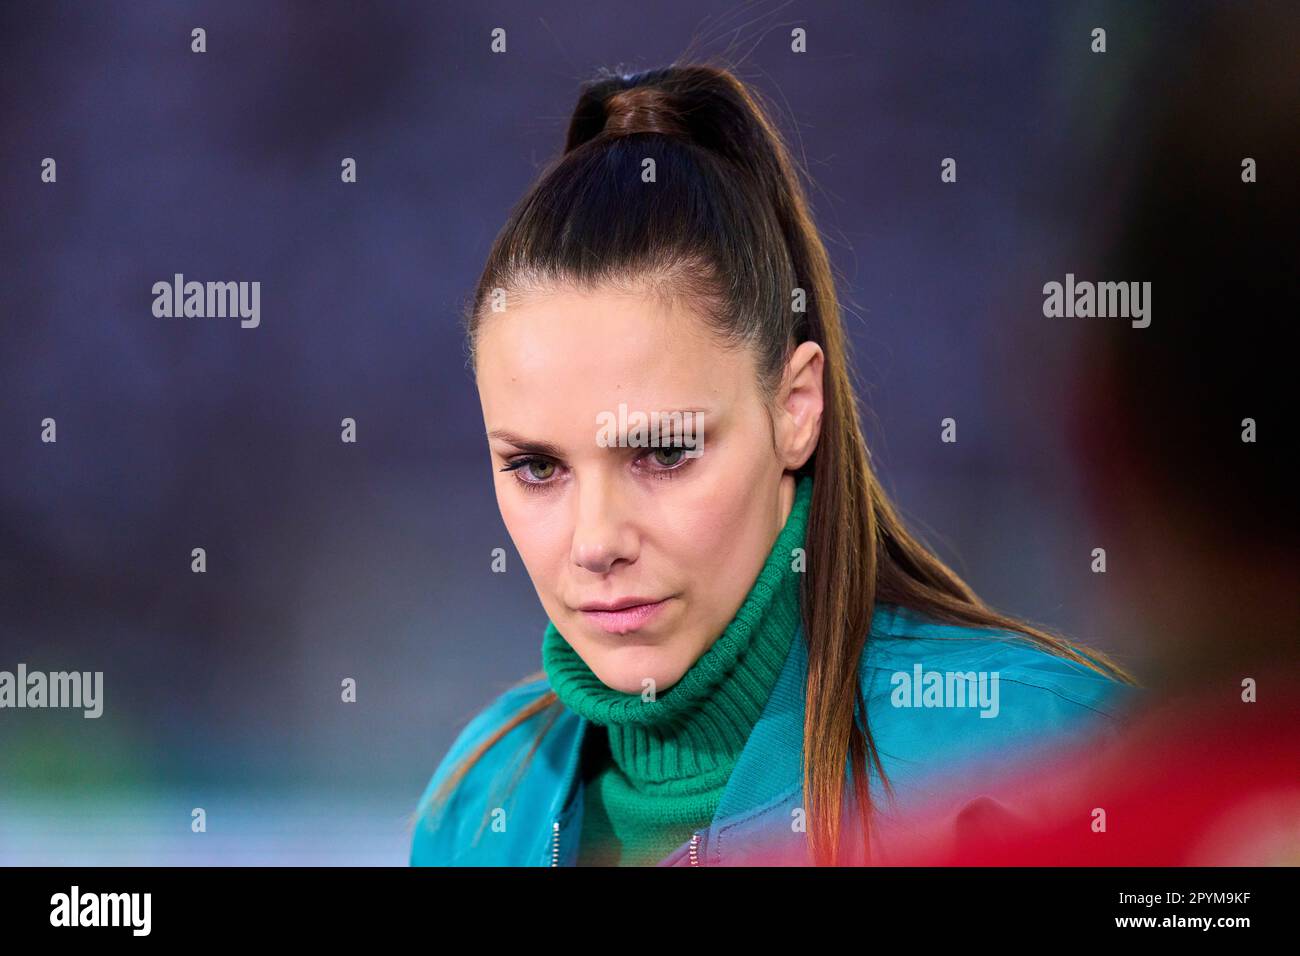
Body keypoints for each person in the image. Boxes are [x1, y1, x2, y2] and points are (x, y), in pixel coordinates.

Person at [409, 63, 1137, 867]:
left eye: (664, 451)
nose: (595, 541)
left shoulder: (1054, 763)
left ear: (796, 408)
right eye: (538, 468)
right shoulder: (475, 807)